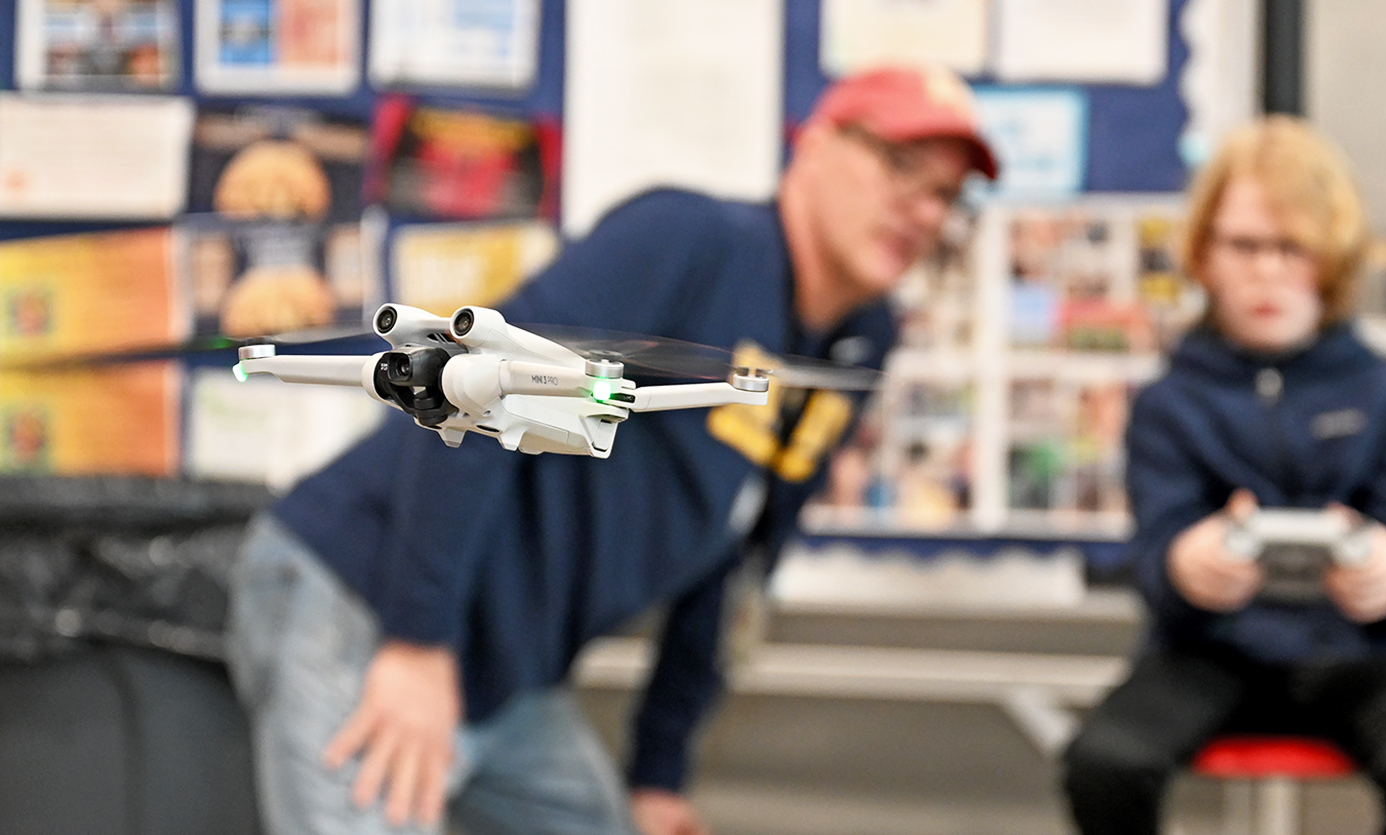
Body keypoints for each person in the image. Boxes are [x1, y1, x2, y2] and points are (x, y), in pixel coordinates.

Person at [225, 64, 997, 835]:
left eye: (945, 194)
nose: (922, 210)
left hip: (508, 674)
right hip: (364, 594)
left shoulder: (859, 340)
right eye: (902, 167)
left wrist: (658, 775)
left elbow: (738, 557)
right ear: (816, 145)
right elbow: (465, 387)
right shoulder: (690, 241)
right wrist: (418, 643)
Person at [1059, 116, 1386, 835]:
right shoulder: (1168, 404)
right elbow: (1157, 567)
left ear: (1333, 258)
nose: (1267, 271)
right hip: (1204, 654)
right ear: (1205, 253)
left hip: (1362, 656)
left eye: (1293, 248)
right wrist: (1187, 568)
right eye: (1244, 246)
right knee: (1103, 765)